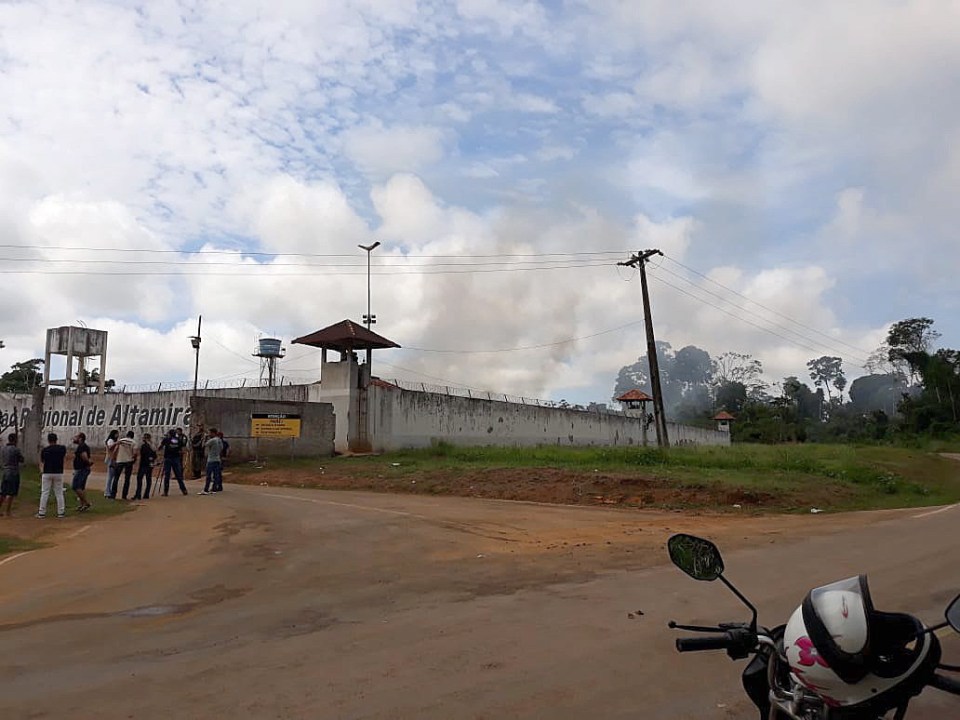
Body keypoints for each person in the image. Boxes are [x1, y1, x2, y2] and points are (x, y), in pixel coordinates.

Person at [38, 432, 67, 519]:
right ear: (56, 439)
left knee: (45, 492)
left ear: (48, 440)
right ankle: (61, 512)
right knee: (59, 493)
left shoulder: (45, 450)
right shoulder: (62, 448)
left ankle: (41, 512)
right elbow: (64, 456)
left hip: (47, 472)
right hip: (58, 472)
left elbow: (42, 461)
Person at [0, 433, 25, 516]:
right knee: (12, 493)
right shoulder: (16, 449)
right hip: (13, 473)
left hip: (5, 472)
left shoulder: (3, 449)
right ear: (15, 440)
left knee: (3, 492)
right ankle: (8, 511)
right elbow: (21, 459)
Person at [159, 429, 187, 496]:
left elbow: (160, 447)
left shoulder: (166, 439)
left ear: (169, 434)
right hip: (176, 459)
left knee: (167, 475)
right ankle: (184, 490)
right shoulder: (179, 440)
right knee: (178, 475)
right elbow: (183, 450)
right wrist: (177, 451)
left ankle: (166, 492)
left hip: (168, 459)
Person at [71, 432, 93, 512]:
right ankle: (82, 505)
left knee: (75, 486)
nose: (74, 438)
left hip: (82, 469)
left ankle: (86, 503)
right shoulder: (82, 446)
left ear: (80, 438)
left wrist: (88, 462)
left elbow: (84, 456)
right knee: (81, 487)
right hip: (82, 469)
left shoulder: (82, 446)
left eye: (76, 437)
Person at [199, 427, 223, 495]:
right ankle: (214, 488)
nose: (209, 434)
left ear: (213, 433)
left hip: (211, 460)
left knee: (208, 475)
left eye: (210, 433)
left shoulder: (212, 440)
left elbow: (203, 445)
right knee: (216, 475)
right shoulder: (219, 440)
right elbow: (221, 448)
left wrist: (205, 438)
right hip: (217, 459)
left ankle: (206, 489)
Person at [116, 430, 138, 500]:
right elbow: (135, 453)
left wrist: (114, 458)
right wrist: (134, 459)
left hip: (120, 460)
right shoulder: (133, 442)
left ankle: (113, 494)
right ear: (132, 436)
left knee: (116, 478)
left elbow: (115, 450)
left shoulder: (120, 440)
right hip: (129, 461)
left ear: (127, 435)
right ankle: (124, 495)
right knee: (127, 479)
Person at [135, 433, 157, 500]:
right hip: (150, 464)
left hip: (144, 465)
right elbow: (155, 456)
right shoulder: (152, 446)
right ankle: (146, 494)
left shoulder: (144, 446)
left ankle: (138, 494)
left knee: (139, 479)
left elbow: (143, 455)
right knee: (148, 479)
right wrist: (152, 460)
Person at [104, 429, 120, 499]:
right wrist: (116, 443)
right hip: (111, 459)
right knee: (110, 477)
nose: (118, 435)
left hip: (112, 459)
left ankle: (108, 491)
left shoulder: (112, 441)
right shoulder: (110, 440)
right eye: (117, 434)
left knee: (111, 477)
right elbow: (110, 447)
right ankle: (107, 492)